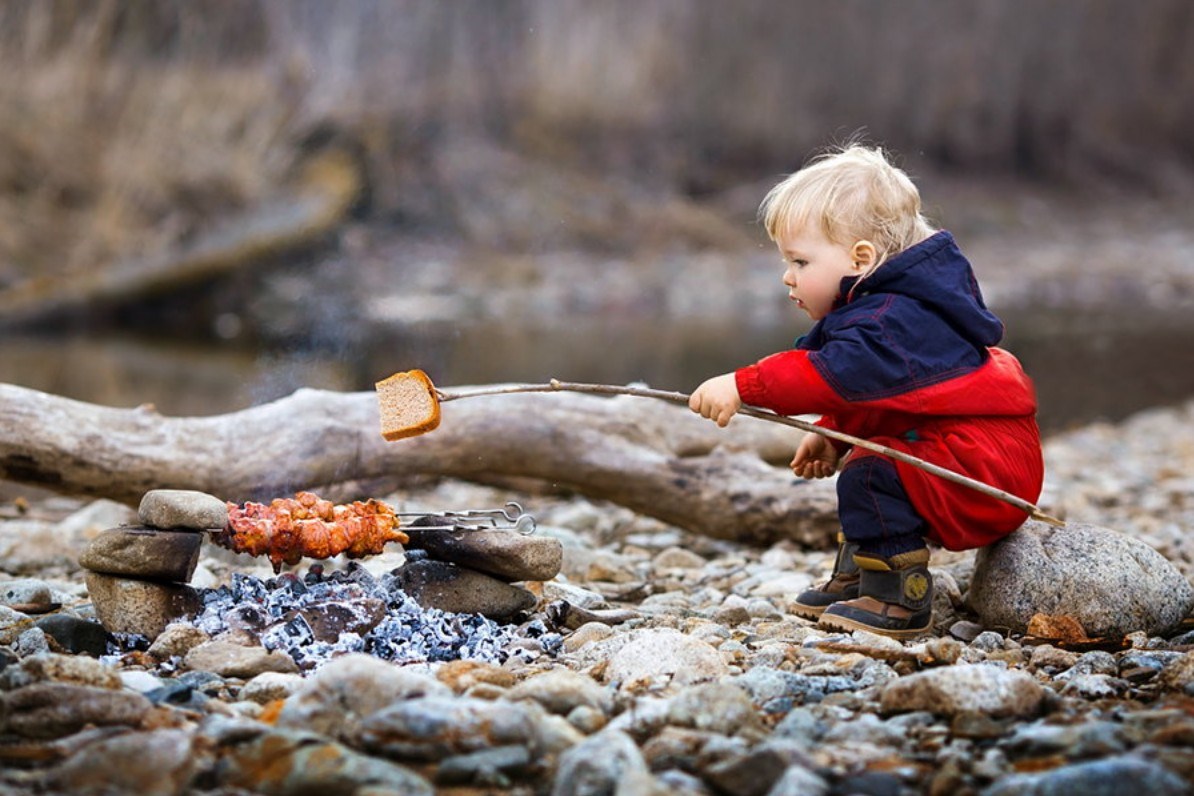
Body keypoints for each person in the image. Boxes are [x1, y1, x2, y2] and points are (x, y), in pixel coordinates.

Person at [688, 143, 1044, 637]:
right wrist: (835, 433)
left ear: (861, 258)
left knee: (873, 474)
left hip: (984, 474)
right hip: (974, 458)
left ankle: (900, 598)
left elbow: (834, 374)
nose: (787, 277)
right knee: (867, 462)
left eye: (801, 261)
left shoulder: (890, 321)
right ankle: (863, 573)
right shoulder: (895, 312)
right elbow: (890, 395)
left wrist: (743, 385)